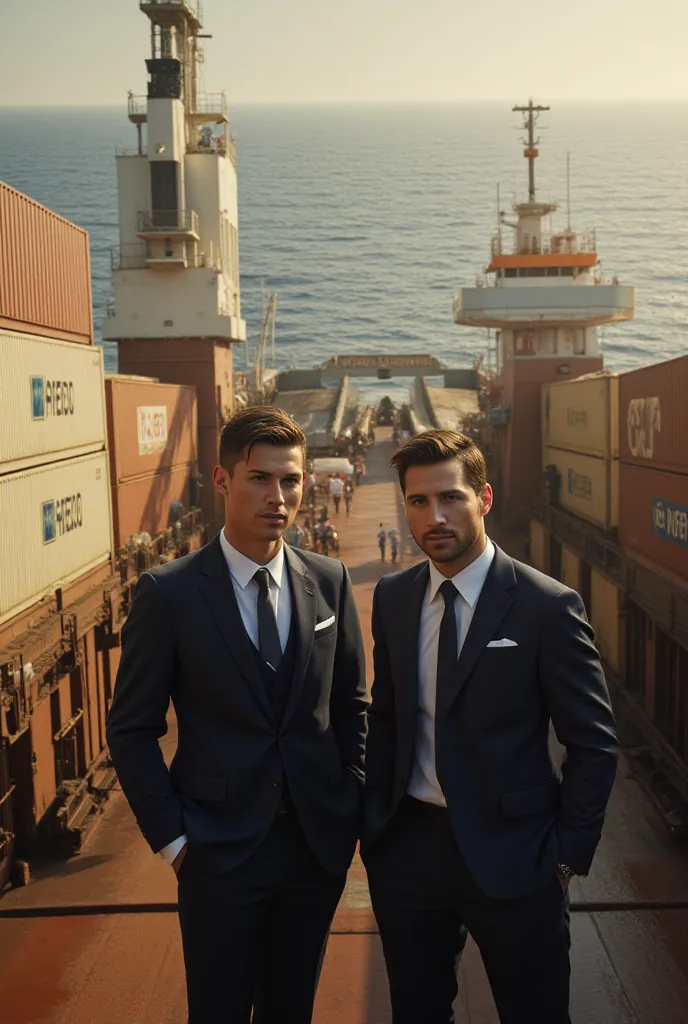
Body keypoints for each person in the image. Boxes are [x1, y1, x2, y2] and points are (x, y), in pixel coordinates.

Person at [107, 407, 368, 1024]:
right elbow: (131, 727)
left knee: (291, 1010)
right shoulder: (167, 594)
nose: (278, 498)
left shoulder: (330, 581)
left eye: (291, 481)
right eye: (259, 479)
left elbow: (353, 704)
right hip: (214, 852)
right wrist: (174, 841)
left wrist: (349, 801)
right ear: (222, 481)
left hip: (314, 849)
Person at [362, 430, 618, 1024]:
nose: (435, 516)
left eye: (451, 497)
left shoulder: (547, 607)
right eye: (419, 502)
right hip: (409, 853)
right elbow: (388, 716)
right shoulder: (396, 598)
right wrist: (376, 829)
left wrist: (565, 860)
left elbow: (593, 745)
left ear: (485, 497)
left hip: (520, 859)